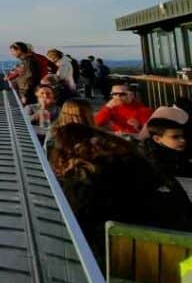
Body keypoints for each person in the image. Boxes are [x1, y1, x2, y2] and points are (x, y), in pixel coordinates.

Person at [49, 121, 192, 260]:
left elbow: (79, 227)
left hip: (147, 261)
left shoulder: (87, 180)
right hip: (181, 252)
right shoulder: (140, 162)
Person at [139, 106, 192, 179]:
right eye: (175, 137)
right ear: (157, 139)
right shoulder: (151, 160)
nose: (183, 140)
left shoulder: (174, 151)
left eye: (182, 136)